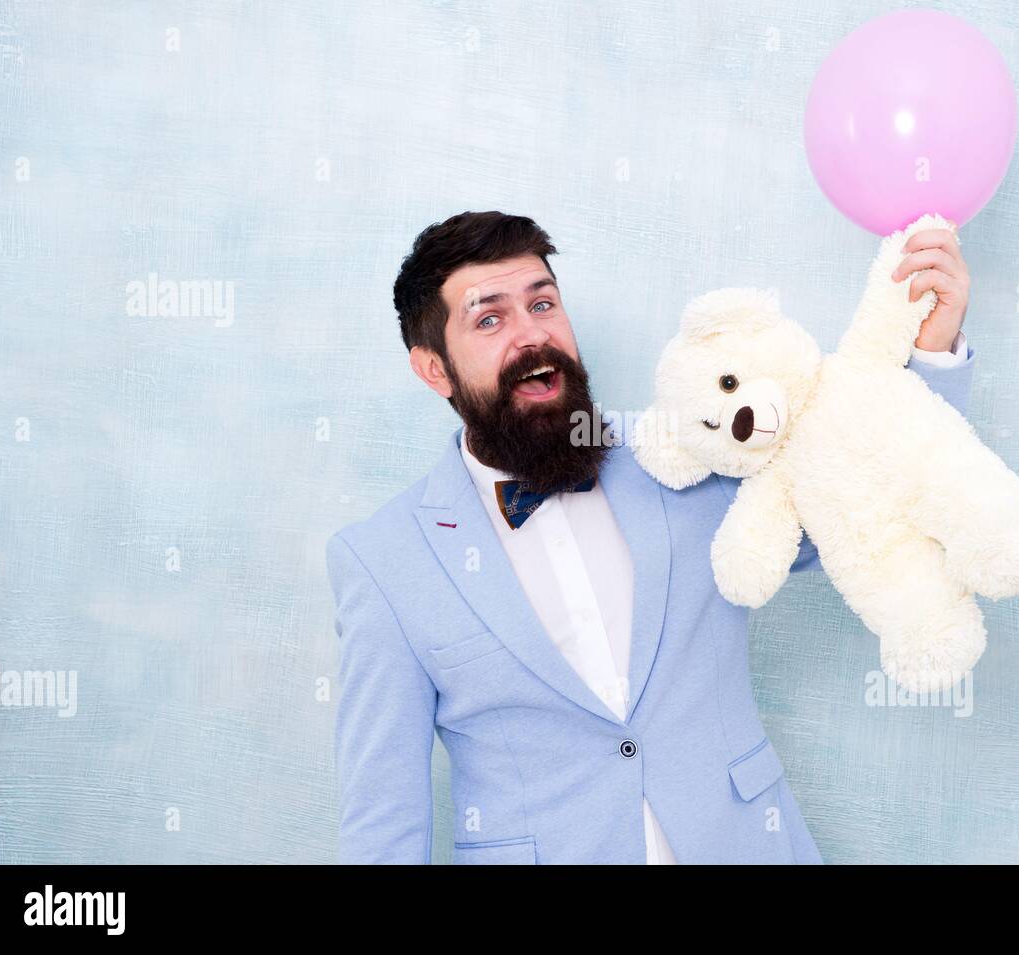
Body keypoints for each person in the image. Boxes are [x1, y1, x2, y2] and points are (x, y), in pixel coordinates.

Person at [326, 210, 975, 864]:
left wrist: (931, 354)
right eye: (489, 319)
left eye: (543, 303)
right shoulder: (384, 561)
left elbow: (857, 507)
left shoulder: (684, 450)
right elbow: (384, 821)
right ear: (433, 368)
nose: (531, 334)